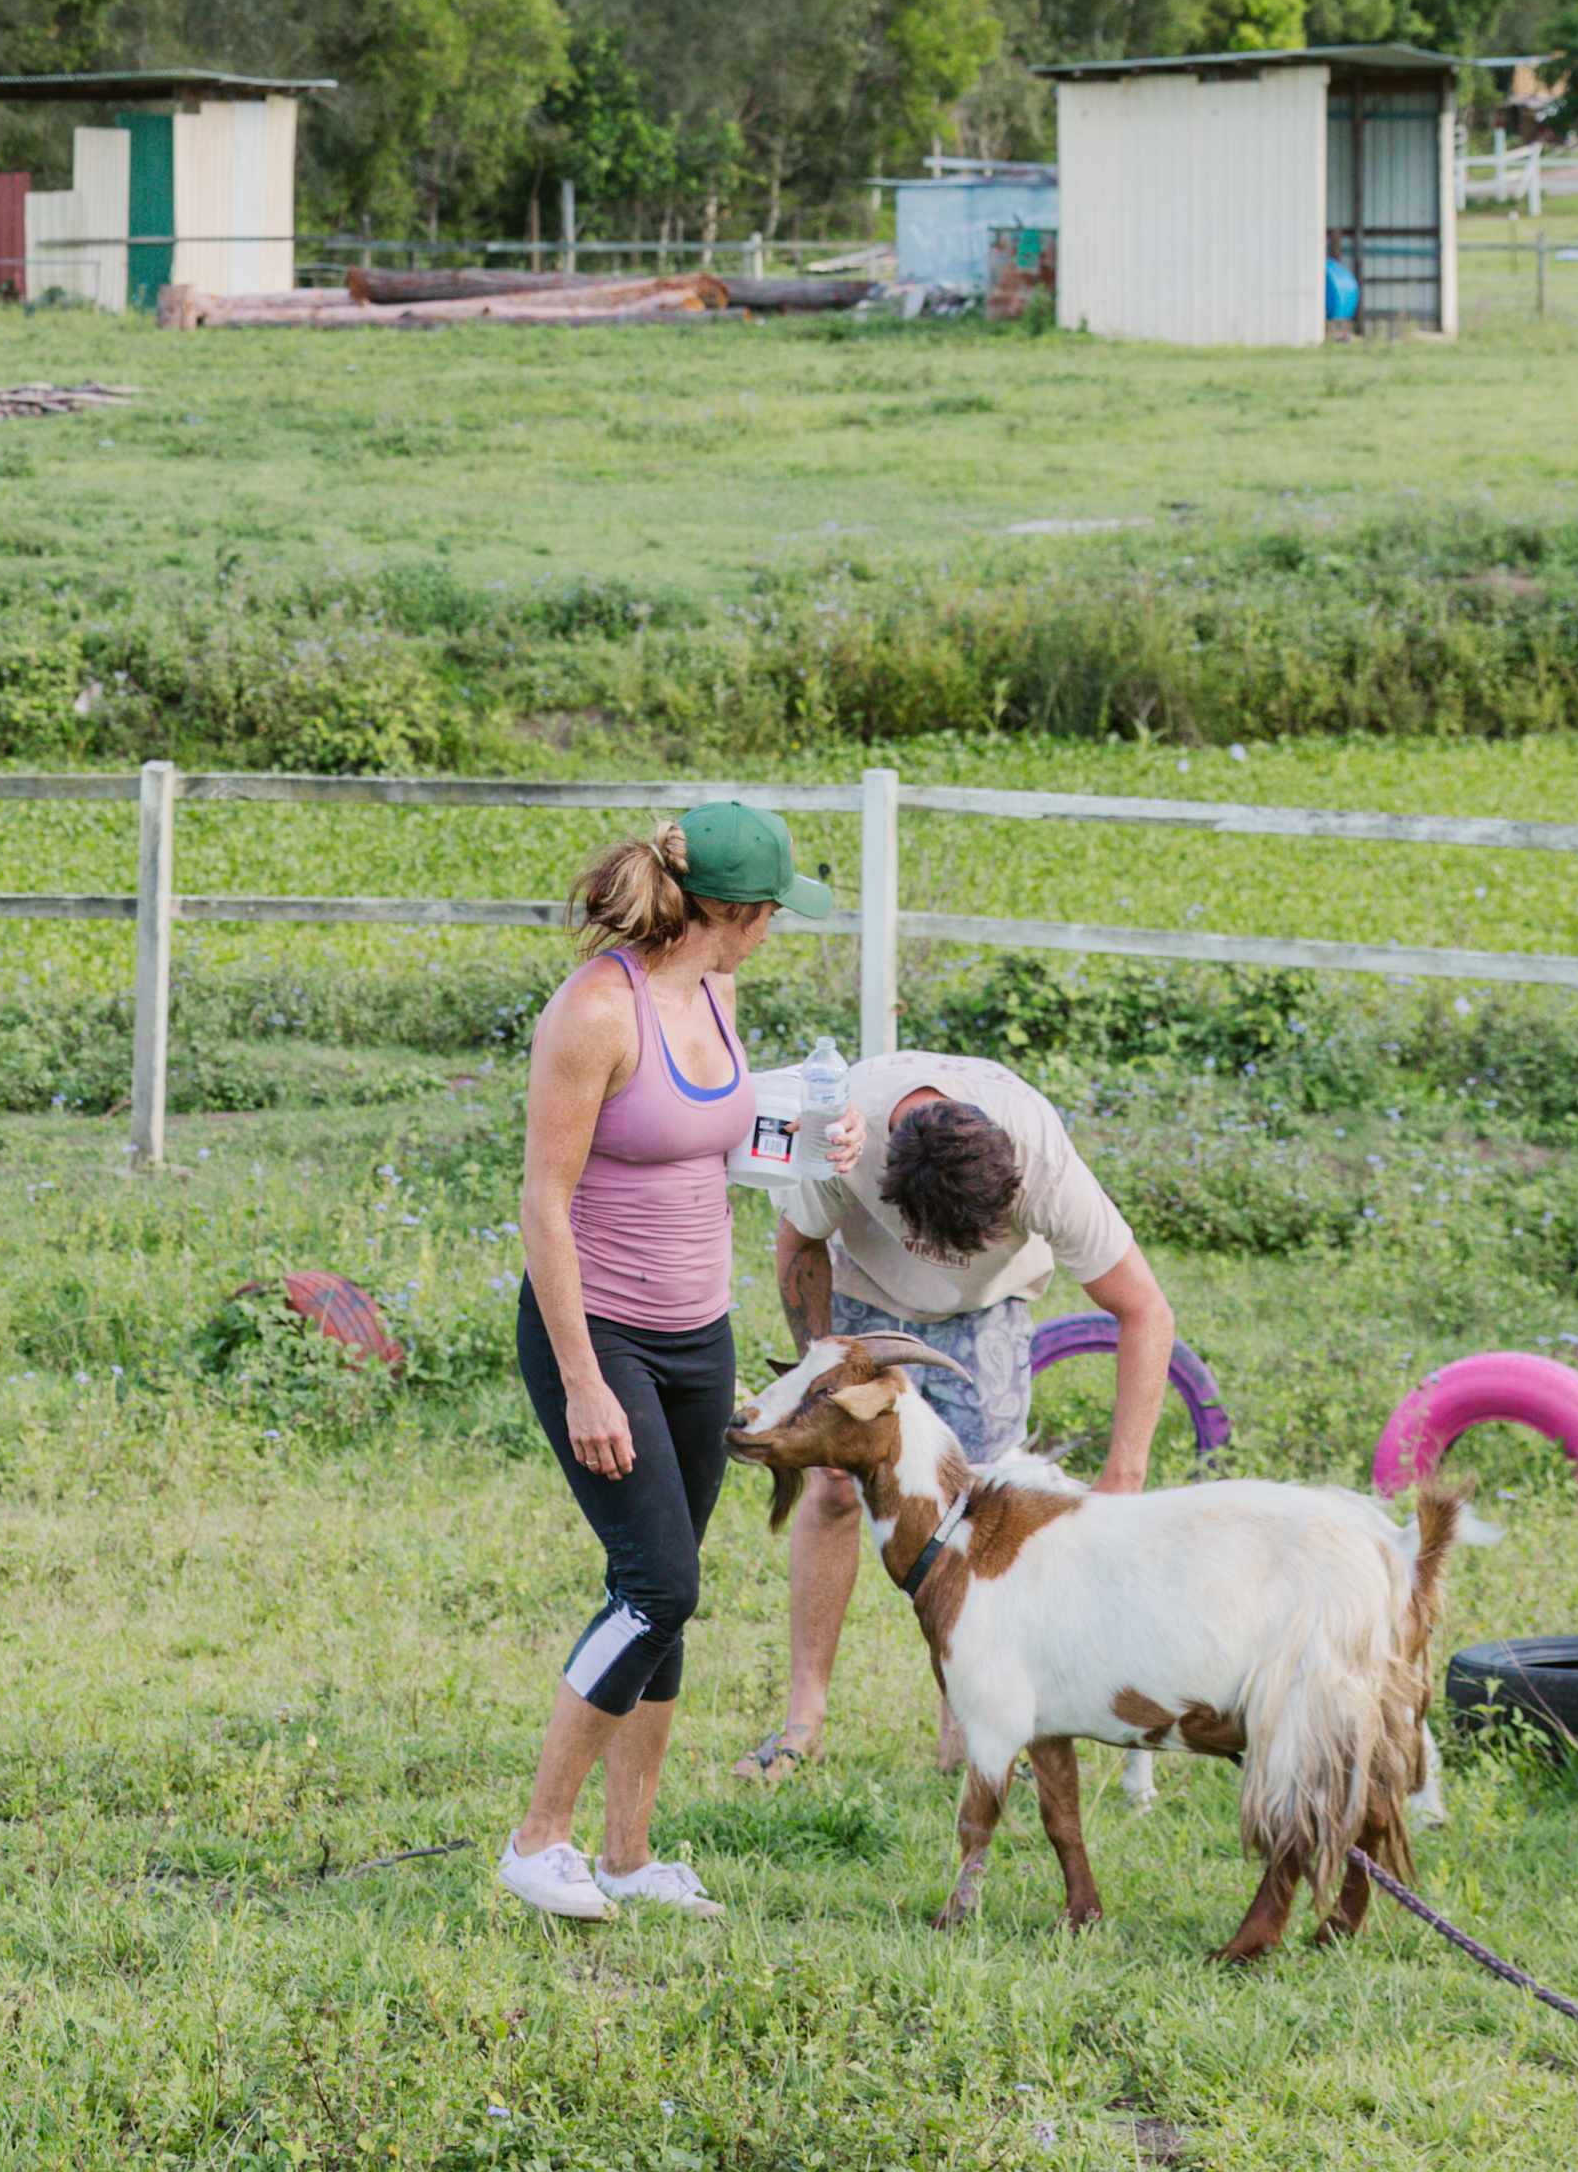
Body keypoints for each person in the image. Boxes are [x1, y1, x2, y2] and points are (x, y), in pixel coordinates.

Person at [499, 796, 842, 1924]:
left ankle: (632, 1857)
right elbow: (544, 1206)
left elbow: (714, 1134)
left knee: (667, 1601)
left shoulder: (716, 990)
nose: (776, 930)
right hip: (599, 1335)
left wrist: (809, 1133)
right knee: (657, 1584)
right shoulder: (596, 1012)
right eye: (772, 913)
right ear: (732, 912)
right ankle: (536, 1843)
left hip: (701, 1332)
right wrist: (586, 1378)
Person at [735, 1048, 1176, 1783]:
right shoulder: (845, 1128)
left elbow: (1144, 1309)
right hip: (868, 1298)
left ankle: (972, 1727)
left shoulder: (1040, 1158)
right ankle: (802, 1723)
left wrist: (1124, 1477)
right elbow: (798, 1242)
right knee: (833, 1490)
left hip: (986, 1314)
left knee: (979, 1506)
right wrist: (818, 1369)